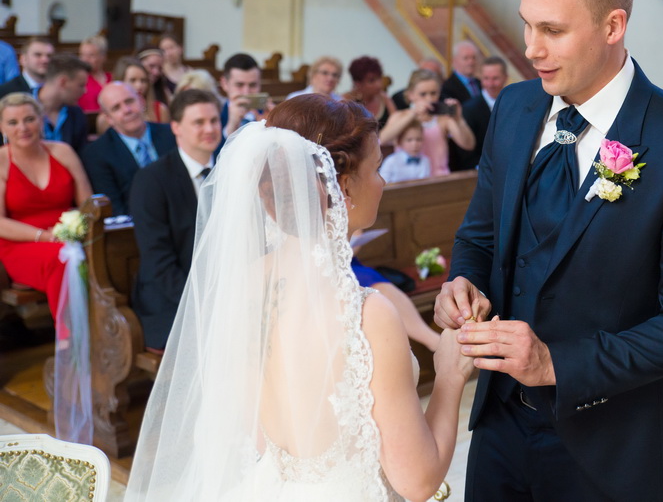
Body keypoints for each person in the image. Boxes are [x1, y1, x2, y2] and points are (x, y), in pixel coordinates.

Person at [434, 0, 663, 501]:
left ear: (613, 25)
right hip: (499, 430)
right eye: (527, 24)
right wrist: (462, 281)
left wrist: (556, 363)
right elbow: (480, 234)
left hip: (613, 451)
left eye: (552, 30)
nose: (531, 48)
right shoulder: (515, 109)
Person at [126, 95, 474, 501]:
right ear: (343, 185)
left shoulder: (246, 282)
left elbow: (255, 436)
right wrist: (450, 376)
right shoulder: (367, 313)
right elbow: (416, 483)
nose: (383, 182)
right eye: (377, 168)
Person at [128, 89, 222, 351]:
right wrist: (202, 303)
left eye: (214, 120)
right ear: (176, 127)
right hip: (171, 298)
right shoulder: (152, 180)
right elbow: (157, 259)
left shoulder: (230, 170)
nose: (209, 129)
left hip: (223, 290)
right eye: (199, 122)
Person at [0, 93, 92, 323]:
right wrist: (45, 236)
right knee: (61, 258)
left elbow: (88, 204)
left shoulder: (63, 152)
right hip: (20, 243)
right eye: (13, 122)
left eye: (29, 119)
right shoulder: (1, 161)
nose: (23, 127)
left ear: (41, 121)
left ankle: (111, 329)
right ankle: (71, 338)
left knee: (109, 251)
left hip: (68, 235)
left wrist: (75, 229)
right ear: (2, 127)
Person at [82, 83, 176, 217]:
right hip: (135, 228)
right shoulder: (96, 154)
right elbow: (115, 209)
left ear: (142, 101)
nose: (127, 110)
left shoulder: (172, 134)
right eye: (116, 108)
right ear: (109, 118)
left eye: (129, 101)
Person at [380, 69, 475, 176]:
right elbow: (382, 140)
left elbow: (468, 145)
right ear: (411, 95)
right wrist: (413, 114)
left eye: (433, 93)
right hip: (407, 181)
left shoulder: (443, 119)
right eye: (423, 94)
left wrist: (458, 119)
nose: (429, 99)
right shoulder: (400, 116)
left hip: (438, 179)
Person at [457, 56, 508, 170]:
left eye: (495, 78)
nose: (490, 84)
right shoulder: (469, 109)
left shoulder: (515, 105)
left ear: (505, 78)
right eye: (486, 78)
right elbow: (466, 152)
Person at [36, 54, 89, 154]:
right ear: (63, 82)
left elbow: (82, 156)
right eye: (81, 85)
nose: (85, 91)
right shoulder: (22, 107)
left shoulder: (77, 114)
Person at [112, 56, 170, 125]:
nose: (139, 86)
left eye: (143, 81)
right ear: (120, 81)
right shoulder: (109, 116)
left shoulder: (160, 110)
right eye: (133, 80)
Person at [343, 55, 396, 130]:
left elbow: (396, 125)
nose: (378, 84)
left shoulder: (385, 99)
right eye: (371, 81)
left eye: (379, 78)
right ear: (358, 84)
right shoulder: (345, 100)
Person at [218, 52, 263, 137]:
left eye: (253, 85)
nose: (246, 92)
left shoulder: (268, 114)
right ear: (224, 84)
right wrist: (231, 126)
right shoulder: (215, 115)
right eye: (239, 85)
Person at [379, 119, 431, 183]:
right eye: (409, 140)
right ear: (399, 141)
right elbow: (382, 184)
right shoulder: (391, 161)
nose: (414, 144)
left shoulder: (425, 161)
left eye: (418, 139)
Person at [76, 35, 112, 112]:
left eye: (91, 55)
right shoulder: (77, 81)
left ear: (103, 57)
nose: (85, 59)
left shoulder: (111, 78)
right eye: (82, 55)